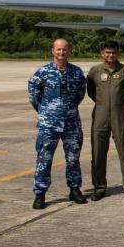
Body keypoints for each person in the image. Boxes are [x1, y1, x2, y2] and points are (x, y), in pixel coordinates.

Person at [28, 38, 87, 209]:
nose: (62, 53)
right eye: (58, 50)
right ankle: (40, 194)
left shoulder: (76, 72)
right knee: (44, 159)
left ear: (69, 51)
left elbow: (80, 94)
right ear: (53, 51)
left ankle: (75, 189)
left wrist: (67, 109)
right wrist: (46, 112)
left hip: (71, 123)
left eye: (65, 50)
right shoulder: (43, 72)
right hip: (49, 124)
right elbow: (34, 96)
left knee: (73, 158)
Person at [86, 40, 124, 200]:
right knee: (98, 152)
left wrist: (118, 102)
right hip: (100, 115)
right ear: (102, 53)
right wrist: (103, 104)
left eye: (114, 52)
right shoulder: (94, 71)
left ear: (118, 54)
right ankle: (99, 187)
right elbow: (91, 91)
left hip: (120, 115)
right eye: (107, 52)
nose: (111, 55)